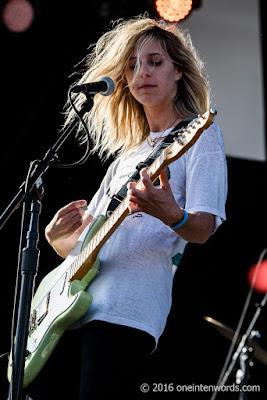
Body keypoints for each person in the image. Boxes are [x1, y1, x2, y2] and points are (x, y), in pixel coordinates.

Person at [26, 14, 227, 400]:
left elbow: (202, 228)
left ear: (179, 72)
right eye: (132, 65)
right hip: (72, 312)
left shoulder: (201, 135)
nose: (142, 73)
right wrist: (58, 241)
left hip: (128, 309)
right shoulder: (127, 157)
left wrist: (171, 214)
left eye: (155, 62)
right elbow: (91, 246)